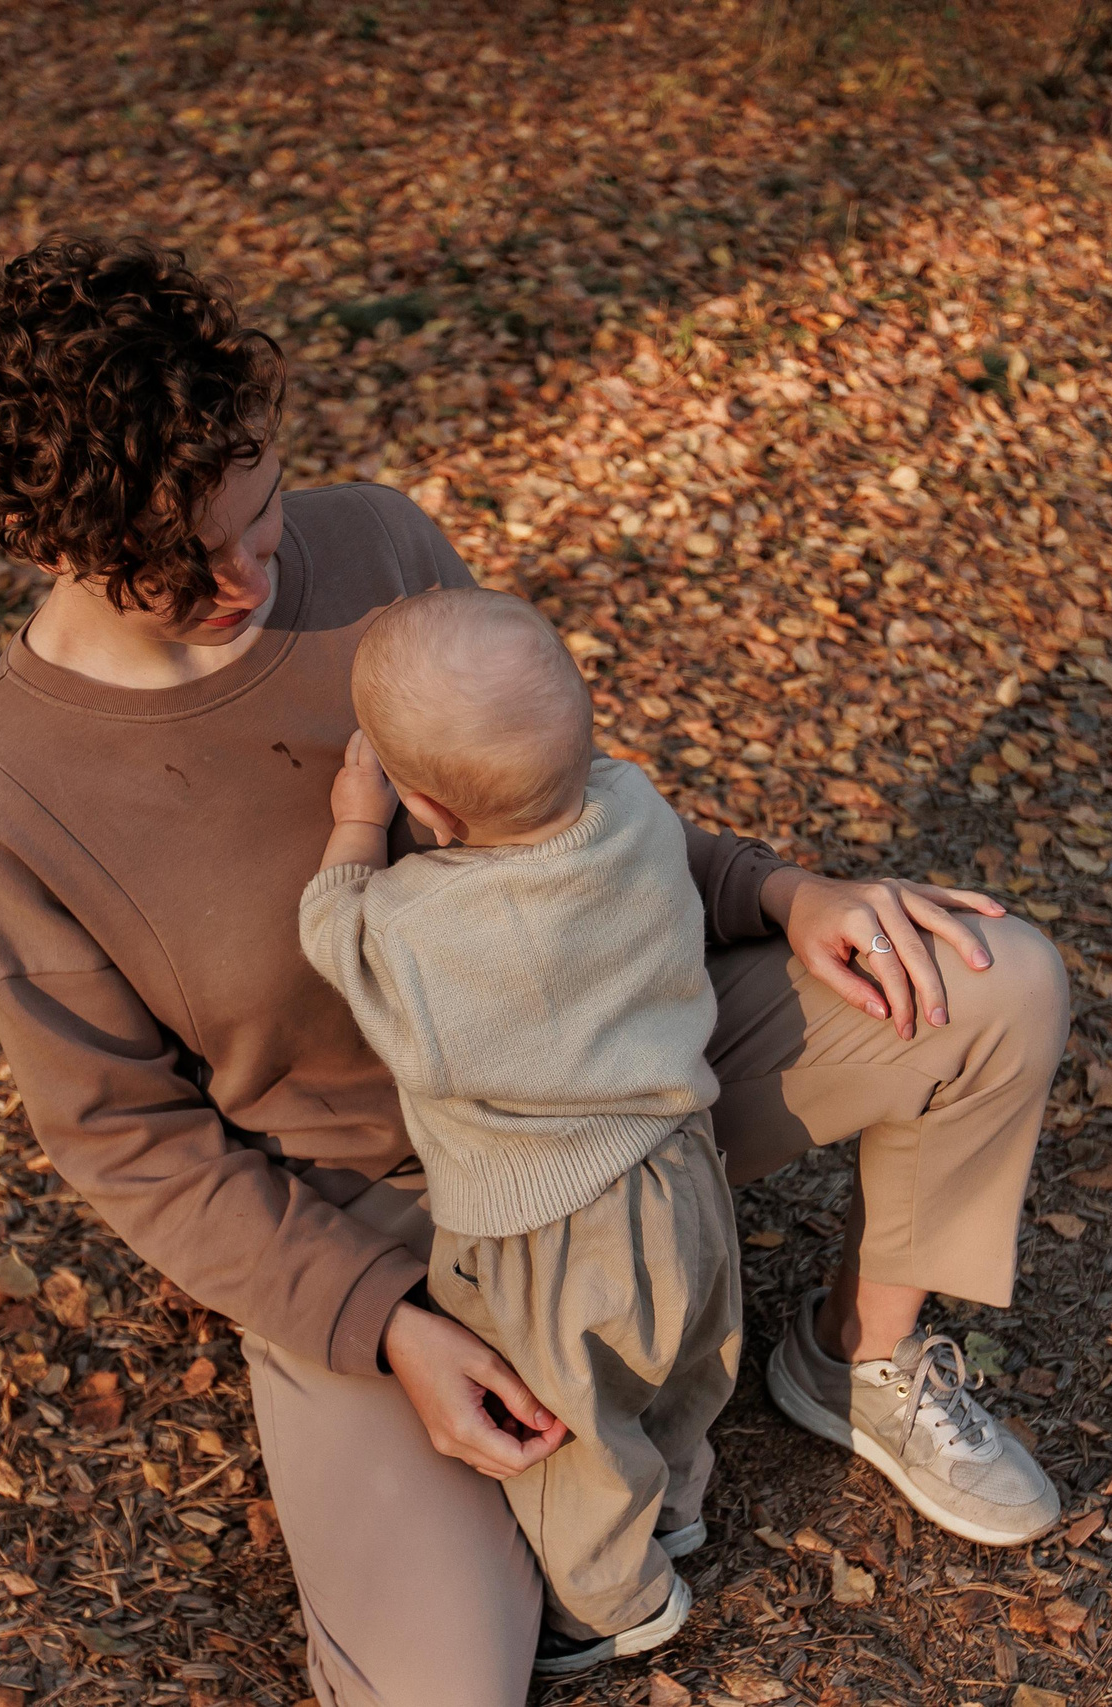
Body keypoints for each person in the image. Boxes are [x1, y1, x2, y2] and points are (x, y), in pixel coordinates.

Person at [0, 234, 1073, 1707]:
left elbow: (563, 819)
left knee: (986, 980)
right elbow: (125, 1138)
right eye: (181, 570)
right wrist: (382, 1325)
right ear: (52, 543)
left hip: (615, 1089)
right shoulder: (12, 795)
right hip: (377, 1218)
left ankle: (855, 1356)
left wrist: (784, 895)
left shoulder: (376, 546)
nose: (249, 578)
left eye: (261, 517)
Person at [298, 589, 743, 1674]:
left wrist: (354, 825)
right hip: (682, 1173)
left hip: (551, 1233)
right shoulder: (635, 808)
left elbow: (335, 934)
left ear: (428, 811)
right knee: (682, 1361)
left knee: (572, 1428)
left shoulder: (424, 932)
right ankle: (679, 1505)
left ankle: (613, 1603)